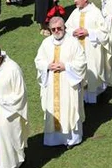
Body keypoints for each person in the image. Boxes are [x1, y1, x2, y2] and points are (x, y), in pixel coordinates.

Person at [35, 15, 86, 147]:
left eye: (59, 28)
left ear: (64, 27)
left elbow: (81, 62)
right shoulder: (46, 43)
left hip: (68, 84)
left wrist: (66, 66)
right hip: (51, 83)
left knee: (69, 108)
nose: (57, 31)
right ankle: (54, 140)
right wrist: (47, 66)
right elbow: (38, 61)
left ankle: (71, 139)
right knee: (52, 108)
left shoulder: (73, 43)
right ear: (50, 30)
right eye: (53, 29)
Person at [66, 0, 110, 103]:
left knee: (92, 71)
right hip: (77, 50)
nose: (75, 1)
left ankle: (93, 99)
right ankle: (82, 98)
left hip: (92, 50)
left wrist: (88, 32)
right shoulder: (76, 12)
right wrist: (73, 32)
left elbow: (104, 32)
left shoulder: (95, 12)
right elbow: (67, 28)